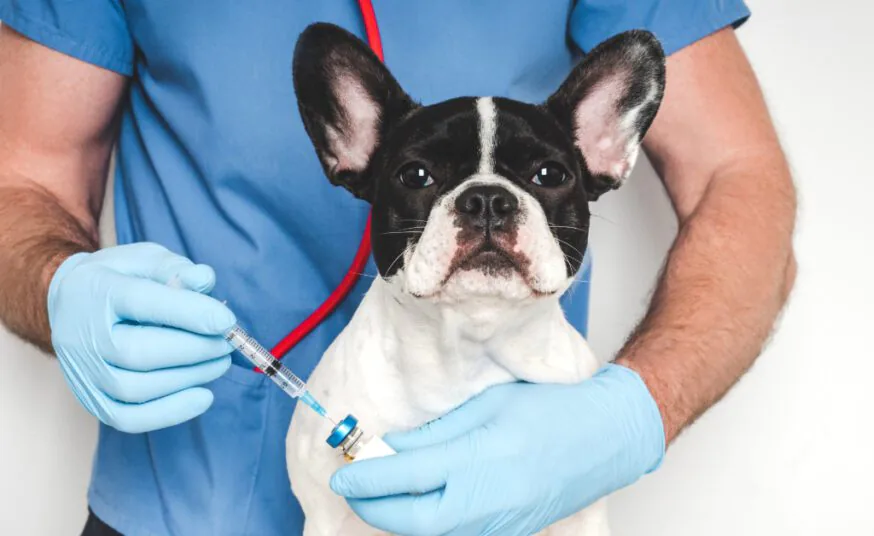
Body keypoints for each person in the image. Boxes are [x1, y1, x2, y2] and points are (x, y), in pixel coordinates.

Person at [0, 1, 796, 535]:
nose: (485, 209)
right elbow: (21, 178)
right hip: (174, 505)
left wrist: (633, 413)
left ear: (602, 154)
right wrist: (57, 285)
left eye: (543, 176)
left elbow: (739, 174)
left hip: (526, 495)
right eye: (421, 179)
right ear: (347, 152)